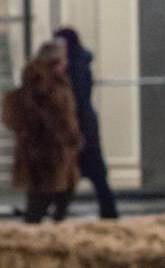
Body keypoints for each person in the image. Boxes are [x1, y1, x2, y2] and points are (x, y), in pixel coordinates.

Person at [2, 39, 84, 223]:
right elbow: (57, 119)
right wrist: (70, 137)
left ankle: (50, 232)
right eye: (63, 59)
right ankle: (39, 238)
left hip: (49, 150)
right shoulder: (47, 88)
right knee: (43, 198)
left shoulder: (48, 83)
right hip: (46, 151)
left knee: (57, 194)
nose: (66, 63)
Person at [53, 26, 118, 218]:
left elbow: (77, 97)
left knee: (71, 171)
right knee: (93, 174)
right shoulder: (79, 62)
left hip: (78, 124)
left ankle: (59, 212)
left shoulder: (73, 65)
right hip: (84, 123)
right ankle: (107, 211)